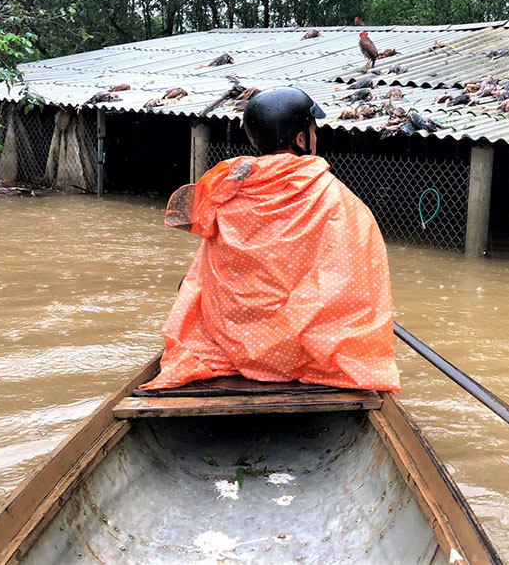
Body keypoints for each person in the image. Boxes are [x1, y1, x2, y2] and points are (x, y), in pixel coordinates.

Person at [139, 88, 400, 391]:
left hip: (230, 345)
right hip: (300, 355)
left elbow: (206, 273)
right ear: (301, 139)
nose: (315, 136)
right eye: (312, 130)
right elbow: (355, 279)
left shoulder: (227, 190)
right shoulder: (334, 198)